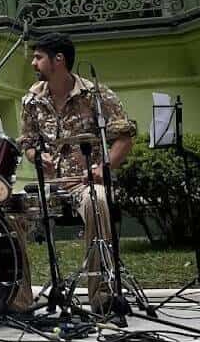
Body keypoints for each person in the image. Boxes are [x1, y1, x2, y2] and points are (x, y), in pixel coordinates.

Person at [17, 32, 136, 314]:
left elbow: (124, 137)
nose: (33, 63)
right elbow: (27, 143)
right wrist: (36, 156)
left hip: (84, 183)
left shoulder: (96, 94)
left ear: (59, 59)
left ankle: (101, 294)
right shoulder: (31, 100)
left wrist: (103, 168)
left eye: (38, 57)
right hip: (49, 187)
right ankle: (18, 300)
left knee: (98, 200)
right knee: (8, 213)